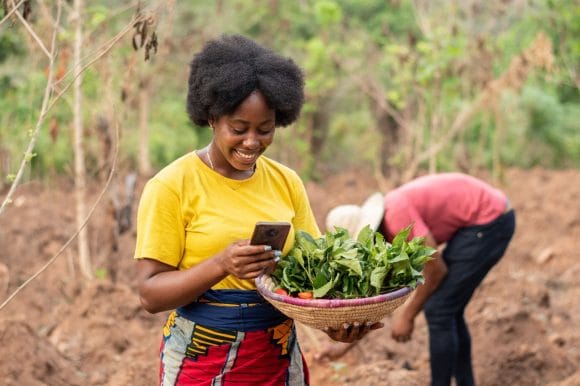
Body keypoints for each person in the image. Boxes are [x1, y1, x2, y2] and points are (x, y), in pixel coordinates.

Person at [134, 34, 374, 386]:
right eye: (239, 129)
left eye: (265, 130)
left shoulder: (286, 181)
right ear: (212, 118)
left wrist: (333, 325)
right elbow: (149, 294)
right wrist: (220, 264)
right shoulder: (172, 185)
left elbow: (312, 273)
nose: (252, 142)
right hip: (202, 359)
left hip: (276, 355)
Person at [320, 172, 516, 386]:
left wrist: (408, 316)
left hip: (490, 219)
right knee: (449, 310)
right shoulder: (386, 231)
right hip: (479, 221)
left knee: (439, 309)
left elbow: (437, 271)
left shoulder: (397, 220)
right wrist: (346, 345)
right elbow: (384, 294)